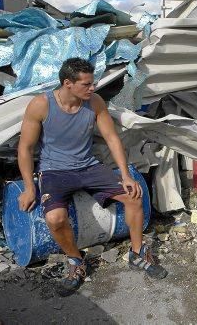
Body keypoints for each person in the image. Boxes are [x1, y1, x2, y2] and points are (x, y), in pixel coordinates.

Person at [17, 58, 167, 297]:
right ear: (68, 83)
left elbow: (112, 138)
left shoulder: (94, 103)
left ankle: (137, 253)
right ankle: (76, 261)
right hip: (55, 171)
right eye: (86, 84)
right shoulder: (41, 105)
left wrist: (126, 175)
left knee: (134, 196)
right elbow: (25, 148)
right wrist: (27, 187)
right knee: (55, 218)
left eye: (93, 82)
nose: (93, 87)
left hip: (88, 167)